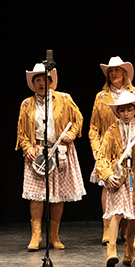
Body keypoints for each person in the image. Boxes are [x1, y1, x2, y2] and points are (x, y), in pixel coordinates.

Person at [16, 62, 85, 252]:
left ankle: (54, 235)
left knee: (57, 197)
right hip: (38, 152)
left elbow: (78, 119)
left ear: (50, 81)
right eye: (36, 80)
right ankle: (36, 234)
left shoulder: (64, 98)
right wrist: (27, 147)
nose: (40, 83)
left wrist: (72, 135)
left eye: (43, 79)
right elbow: (22, 132)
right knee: (37, 197)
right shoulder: (27, 104)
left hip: (59, 150)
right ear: (33, 83)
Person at [95, 90, 135, 267]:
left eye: (129, 110)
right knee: (117, 213)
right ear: (118, 112)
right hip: (119, 176)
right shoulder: (111, 131)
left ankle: (129, 251)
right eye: (122, 111)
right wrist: (107, 175)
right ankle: (111, 249)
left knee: (132, 217)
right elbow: (102, 157)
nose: (126, 114)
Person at [88, 56, 135, 247]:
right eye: (110, 71)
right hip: (109, 147)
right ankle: (108, 226)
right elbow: (94, 127)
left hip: (132, 146)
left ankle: (133, 230)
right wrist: (96, 148)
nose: (114, 73)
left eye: (117, 70)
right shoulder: (101, 97)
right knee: (109, 185)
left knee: (133, 188)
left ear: (125, 73)